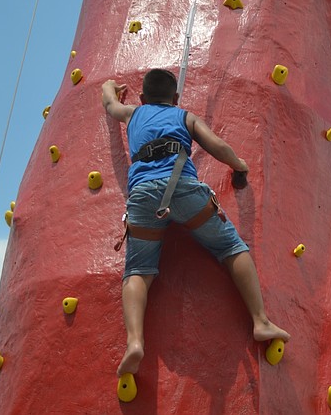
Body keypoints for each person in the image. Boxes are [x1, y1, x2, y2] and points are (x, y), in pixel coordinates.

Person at [101, 69, 290, 377]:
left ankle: (135, 341)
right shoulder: (184, 116)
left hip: (144, 196)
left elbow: (109, 105)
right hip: (184, 189)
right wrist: (238, 165)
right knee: (231, 246)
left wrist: (110, 86)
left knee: (138, 270)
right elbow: (217, 145)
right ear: (175, 98)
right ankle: (261, 321)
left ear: (143, 98)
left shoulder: (132, 113)